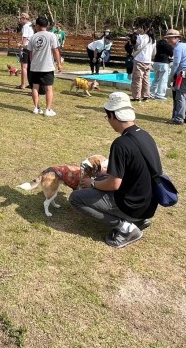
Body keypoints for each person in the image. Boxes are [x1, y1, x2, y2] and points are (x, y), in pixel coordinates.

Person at [69, 91, 162, 248]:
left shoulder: (121, 144)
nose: (108, 121)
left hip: (132, 205)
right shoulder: (145, 135)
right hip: (148, 204)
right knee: (101, 179)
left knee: (76, 198)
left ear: (113, 115)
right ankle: (139, 220)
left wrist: (92, 183)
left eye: (107, 117)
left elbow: (114, 185)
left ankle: (126, 228)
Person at [26, 16, 63, 116]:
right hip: (47, 66)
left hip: (35, 66)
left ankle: (36, 108)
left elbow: (30, 52)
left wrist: (32, 62)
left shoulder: (33, 36)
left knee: (35, 87)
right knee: (49, 88)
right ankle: (48, 109)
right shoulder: (51, 35)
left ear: (37, 25)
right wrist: (59, 64)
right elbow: (55, 50)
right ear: (47, 25)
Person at [130, 26, 155, 102]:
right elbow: (154, 52)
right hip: (148, 61)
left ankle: (137, 97)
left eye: (142, 28)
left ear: (146, 29)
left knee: (137, 79)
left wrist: (135, 33)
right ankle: (146, 96)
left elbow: (134, 44)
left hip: (139, 60)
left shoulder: (141, 37)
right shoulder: (153, 40)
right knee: (146, 79)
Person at [150, 32, 174, 100]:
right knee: (163, 80)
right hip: (163, 63)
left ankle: (151, 92)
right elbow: (171, 53)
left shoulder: (157, 43)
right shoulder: (167, 45)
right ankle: (160, 95)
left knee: (156, 79)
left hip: (156, 62)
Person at [17, 12, 34, 90]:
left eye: (21, 18)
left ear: (24, 18)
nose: (20, 20)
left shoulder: (26, 26)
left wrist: (21, 47)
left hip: (26, 48)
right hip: (32, 48)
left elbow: (25, 38)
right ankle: (31, 84)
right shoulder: (32, 26)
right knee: (31, 67)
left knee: (24, 66)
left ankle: (23, 84)